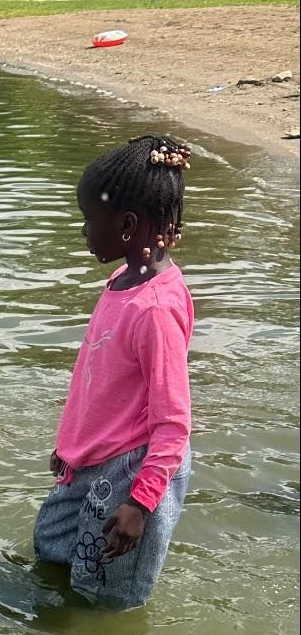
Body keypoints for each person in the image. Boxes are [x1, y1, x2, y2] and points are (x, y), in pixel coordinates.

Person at [33, 135, 195, 608]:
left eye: (89, 221)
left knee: (101, 600)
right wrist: (71, 447)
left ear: (127, 225)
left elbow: (172, 422)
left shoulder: (156, 309)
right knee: (51, 552)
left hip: (136, 468)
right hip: (92, 459)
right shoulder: (123, 282)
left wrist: (141, 504)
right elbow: (99, 376)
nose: (83, 232)